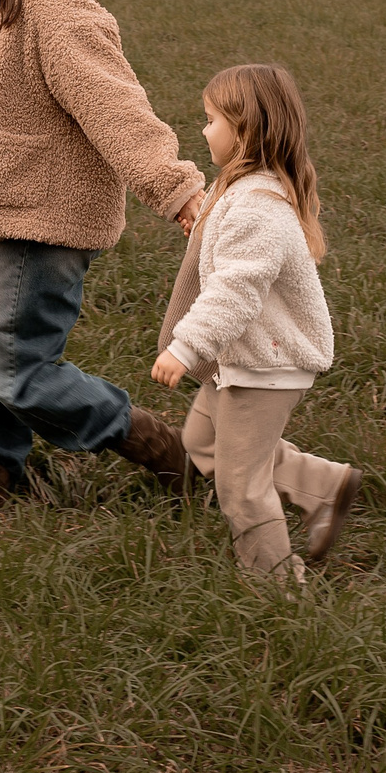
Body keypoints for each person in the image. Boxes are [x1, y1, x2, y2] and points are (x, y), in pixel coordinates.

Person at [0, 0, 204, 505]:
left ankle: (159, 446)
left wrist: (174, 188)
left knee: (14, 365)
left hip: (46, 216)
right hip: (11, 206)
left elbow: (114, 105)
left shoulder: (54, 5)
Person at [150, 63, 358, 580]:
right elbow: (227, 251)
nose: (203, 131)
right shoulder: (240, 190)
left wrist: (185, 347)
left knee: (241, 487)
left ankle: (277, 588)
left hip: (265, 365)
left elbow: (235, 291)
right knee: (202, 442)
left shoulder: (256, 208)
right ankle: (322, 486)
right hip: (242, 358)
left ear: (244, 130)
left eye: (211, 120)